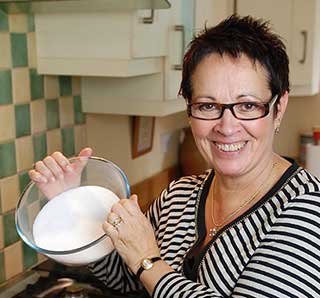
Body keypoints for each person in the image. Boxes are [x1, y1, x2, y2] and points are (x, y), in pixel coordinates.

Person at [29, 15, 320, 297]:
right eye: (207, 106)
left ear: (279, 108)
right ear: (190, 110)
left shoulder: (307, 210)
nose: (227, 127)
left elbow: (143, 266)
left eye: (247, 106)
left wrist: (149, 262)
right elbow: (124, 276)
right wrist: (71, 205)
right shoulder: (179, 196)